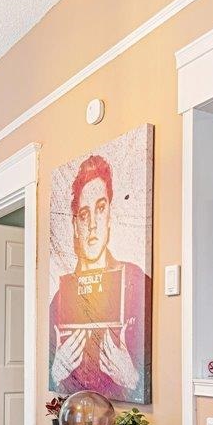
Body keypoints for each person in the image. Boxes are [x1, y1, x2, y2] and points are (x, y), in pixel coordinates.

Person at [48, 154, 148, 401]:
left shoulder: (137, 283)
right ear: (75, 226)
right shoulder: (58, 302)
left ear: (110, 215)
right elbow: (52, 372)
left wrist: (132, 378)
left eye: (100, 209)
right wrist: (55, 372)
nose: (92, 223)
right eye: (84, 214)